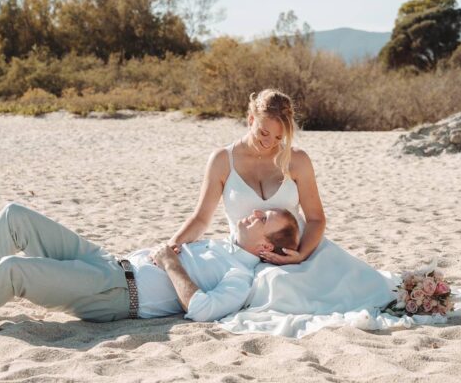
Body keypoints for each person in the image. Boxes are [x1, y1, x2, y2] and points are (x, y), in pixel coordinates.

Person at [0, 202, 299, 329]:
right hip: (105, 260)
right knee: (13, 216)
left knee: (14, 271)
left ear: (266, 250)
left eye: (262, 220)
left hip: (117, 294)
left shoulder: (241, 275)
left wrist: (170, 265)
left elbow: (202, 311)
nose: (252, 214)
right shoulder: (222, 243)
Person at [168, 89, 395, 331]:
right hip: (247, 259)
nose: (269, 143)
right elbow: (201, 218)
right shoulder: (222, 160)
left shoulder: (297, 160)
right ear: (251, 119)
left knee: (370, 293)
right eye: (264, 132)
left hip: (305, 253)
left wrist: (301, 255)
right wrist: (173, 244)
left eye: (278, 138)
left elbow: (316, 219)